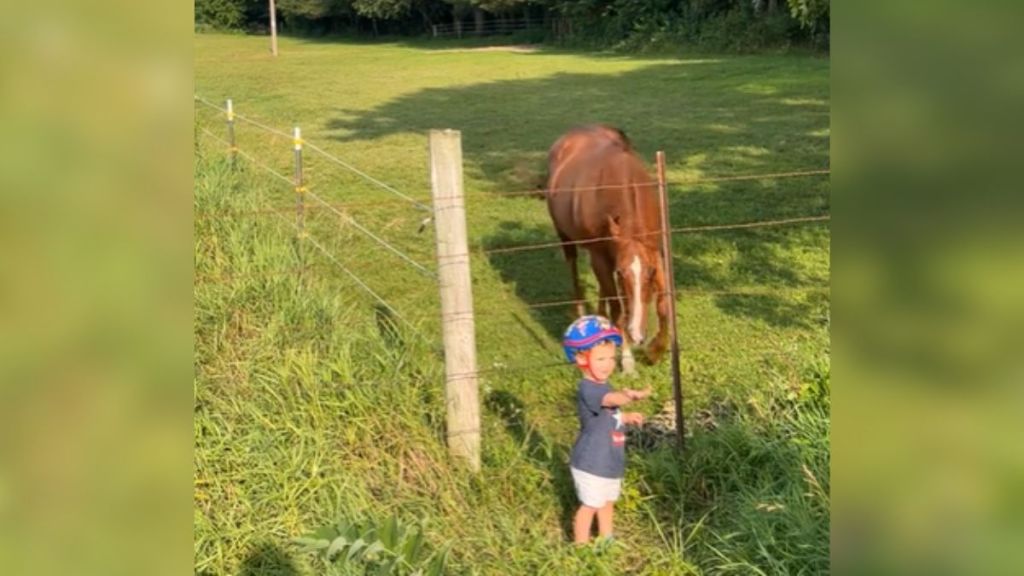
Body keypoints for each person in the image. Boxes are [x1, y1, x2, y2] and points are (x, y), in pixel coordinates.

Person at [562, 315, 652, 545]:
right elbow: (610, 400)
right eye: (601, 358)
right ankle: (580, 547)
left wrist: (626, 417)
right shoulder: (588, 388)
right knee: (590, 505)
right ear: (581, 358)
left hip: (609, 461)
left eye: (612, 358)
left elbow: (609, 414)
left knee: (607, 502)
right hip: (591, 462)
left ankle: (606, 538)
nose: (608, 364)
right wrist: (628, 396)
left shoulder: (603, 383)